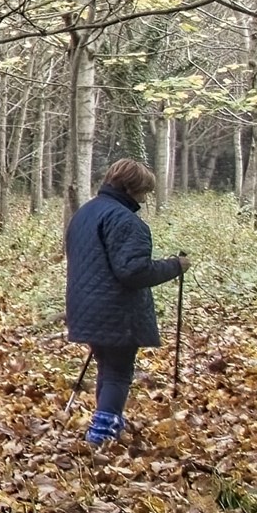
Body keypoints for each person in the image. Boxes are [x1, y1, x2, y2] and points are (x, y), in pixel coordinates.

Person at [65, 158, 188, 448]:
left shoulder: (85, 213)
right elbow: (133, 272)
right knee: (119, 372)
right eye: (144, 191)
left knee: (108, 367)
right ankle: (101, 433)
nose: (144, 199)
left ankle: (108, 421)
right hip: (117, 310)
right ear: (131, 189)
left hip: (84, 307)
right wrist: (175, 266)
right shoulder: (127, 222)